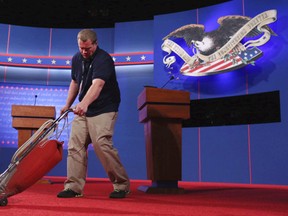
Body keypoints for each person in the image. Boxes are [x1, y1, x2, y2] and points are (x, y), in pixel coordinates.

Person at [57, 29, 130, 199]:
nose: (84, 52)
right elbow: (75, 82)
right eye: (81, 48)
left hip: (104, 108)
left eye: (87, 49)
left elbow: (97, 85)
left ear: (95, 44)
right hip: (85, 109)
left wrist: (84, 103)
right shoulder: (76, 58)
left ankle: (121, 185)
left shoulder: (103, 59)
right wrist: (67, 104)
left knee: (101, 144)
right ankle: (73, 187)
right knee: (75, 145)